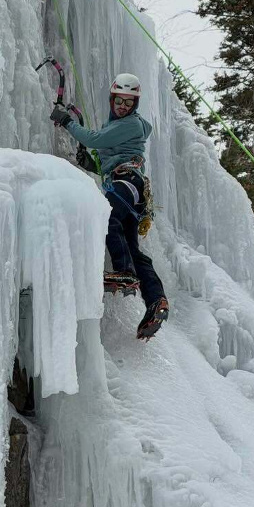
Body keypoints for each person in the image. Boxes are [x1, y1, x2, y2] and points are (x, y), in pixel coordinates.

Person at [51, 74, 169, 340]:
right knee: (133, 249)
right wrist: (90, 164)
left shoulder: (131, 124)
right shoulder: (120, 128)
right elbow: (106, 157)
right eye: (119, 101)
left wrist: (67, 121)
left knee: (106, 215)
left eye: (129, 102)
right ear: (112, 99)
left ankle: (125, 272)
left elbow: (93, 139)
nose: (123, 106)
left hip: (127, 182)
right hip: (128, 188)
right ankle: (156, 301)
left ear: (134, 105)